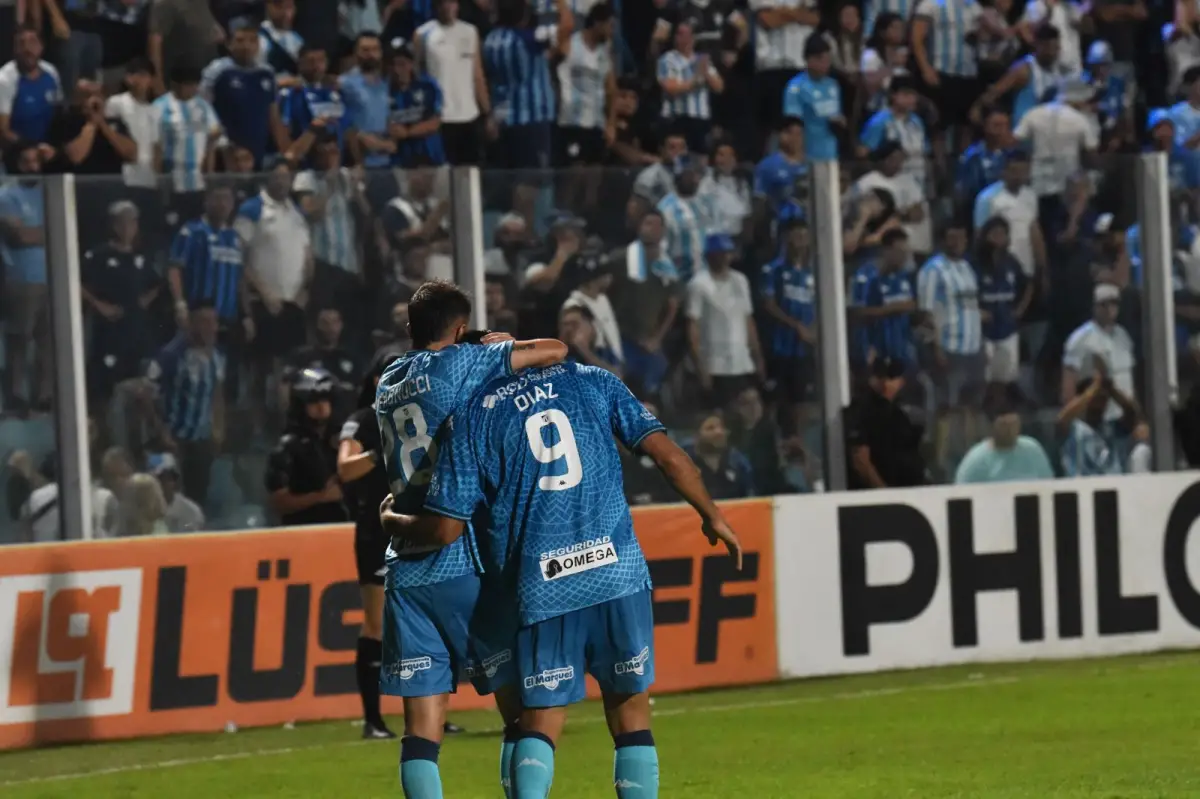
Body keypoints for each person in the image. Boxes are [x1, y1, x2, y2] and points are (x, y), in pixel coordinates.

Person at [381, 361, 742, 799]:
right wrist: (711, 514)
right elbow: (669, 457)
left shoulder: (478, 410)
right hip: (616, 575)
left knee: (539, 722)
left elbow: (448, 524)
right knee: (631, 719)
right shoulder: (594, 379)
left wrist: (393, 520)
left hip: (545, 583)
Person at [373, 280, 567, 797]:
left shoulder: (387, 380)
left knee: (420, 734)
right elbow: (555, 350)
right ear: (459, 329)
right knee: (521, 716)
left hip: (406, 571)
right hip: (464, 563)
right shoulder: (463, 362)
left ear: (409, 327)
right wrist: (486, 340)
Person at [337, 351, 404, 740]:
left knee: (425, 620)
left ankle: (431, 710)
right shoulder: (364, 420)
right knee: (377, 622)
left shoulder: (417, 414)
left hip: (416, 522)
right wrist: (381, 452)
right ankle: (373, 719)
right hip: (376, 528)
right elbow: (345, 468)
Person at [264, 367, 347, 527]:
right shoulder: (288, 447)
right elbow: (278, 502)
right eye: (313, 400)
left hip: (344, 527)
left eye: (325, 399)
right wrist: (321, 496)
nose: (321, 406)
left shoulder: (343, 441)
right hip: (304, 530)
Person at [845, 356, 927, 489]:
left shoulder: (899, 414)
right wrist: (884, 491)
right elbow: (860, 460)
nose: (885, 382)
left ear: (901, 382)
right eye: (880, 376)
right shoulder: (860, 410)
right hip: (874, 494)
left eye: (891, 377)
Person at [955, 399, 1055, 483]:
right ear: (991, 426)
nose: (1009, 430)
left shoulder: (1033, 450)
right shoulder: (976, 461)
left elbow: (1048, 485)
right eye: (1004, 425)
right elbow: (961, 494)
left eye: (1013, 424)